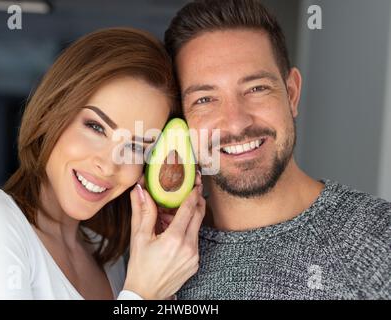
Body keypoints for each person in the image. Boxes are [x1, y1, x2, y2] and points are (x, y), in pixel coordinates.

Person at [0, 28, 205, 299]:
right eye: (96, 127)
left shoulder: (106, 257)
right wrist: (143, 292)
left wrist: (161, 283)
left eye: (136, 147)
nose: (108, 165)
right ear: (51, 112)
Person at [160, 0, 391, 299]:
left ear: (292, 94)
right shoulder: (160, 251)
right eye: (204, 99)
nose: (236, 123)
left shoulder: (379, 239)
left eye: (256, 89)